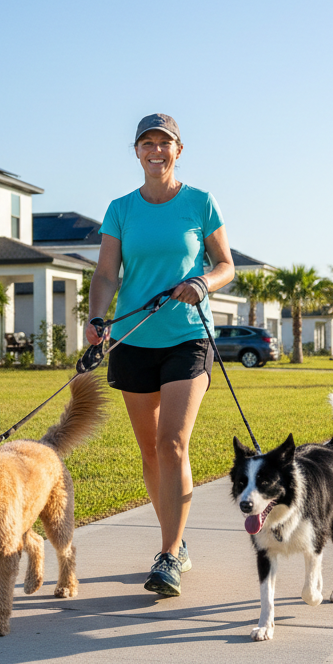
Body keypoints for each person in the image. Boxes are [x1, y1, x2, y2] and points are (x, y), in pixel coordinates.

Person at [85, 113, 234, 596]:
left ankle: (168, 554)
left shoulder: (200, 202)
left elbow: (226, 266)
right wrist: (97, 318)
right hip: (133, 336)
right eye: (146, 143)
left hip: (188, 335)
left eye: (163, 143)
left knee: (172, 442)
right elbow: (106, 274)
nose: (155, 151)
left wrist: (201, 282)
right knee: (150, 450)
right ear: (136, 152)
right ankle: (179, 539)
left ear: (178, 150)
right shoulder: (121, 209)